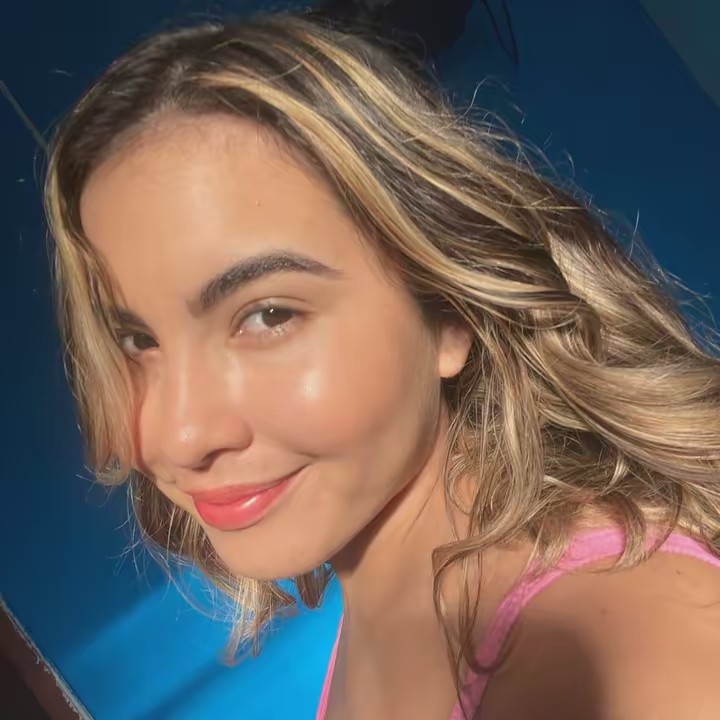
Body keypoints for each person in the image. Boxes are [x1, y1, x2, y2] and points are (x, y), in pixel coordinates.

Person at [44, 9, 720, 720]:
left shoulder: (621, 658)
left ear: (448, 312)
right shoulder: (395, 603)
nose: (181, 436)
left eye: (269, 315)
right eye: (135, 343)